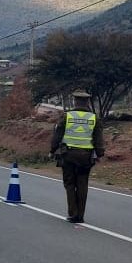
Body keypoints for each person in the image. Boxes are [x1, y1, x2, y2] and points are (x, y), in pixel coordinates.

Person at [50, 90, 104, 224]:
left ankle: (73, 213)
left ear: (75, 101)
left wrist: (52, 150)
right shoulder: (93, 118)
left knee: (69, 184)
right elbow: (98, 139)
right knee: (82, 184)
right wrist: (99, 153)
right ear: (87, 103)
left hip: (68, 155)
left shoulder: (67, 116)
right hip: (86, 157)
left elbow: (57, 135)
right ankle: (80, 215)